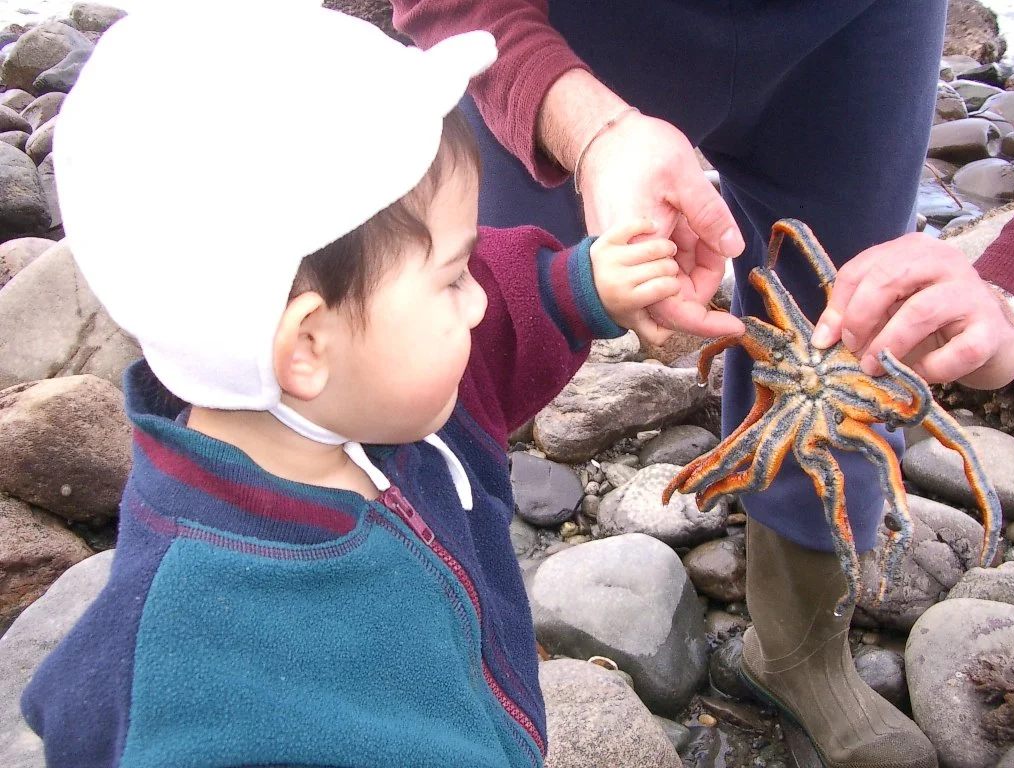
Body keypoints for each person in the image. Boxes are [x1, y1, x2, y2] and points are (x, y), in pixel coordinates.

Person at [18, 3, 684, 766]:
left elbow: (491, 325)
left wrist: (576, 285)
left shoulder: (370, 399)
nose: (477, 299)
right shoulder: (184, 687)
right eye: (453, 276)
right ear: (307, 343)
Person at [389, 2, 1014, 768]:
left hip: (851, 28)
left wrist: (1005, 289)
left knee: (854, 326)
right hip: (578, 22)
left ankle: (798, 653)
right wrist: (589, 132)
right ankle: (413, 634)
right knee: (448, 329)